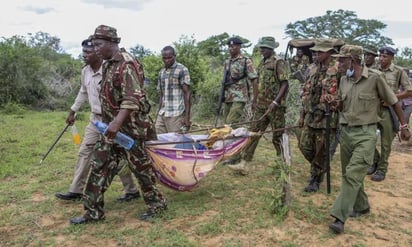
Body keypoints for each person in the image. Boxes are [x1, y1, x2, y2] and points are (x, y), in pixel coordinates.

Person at [70, 25, 166, 224]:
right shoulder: (107, 64)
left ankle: (156, 204)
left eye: (99, 45)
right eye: (94, 45)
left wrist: (116, 123)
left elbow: (132, 98)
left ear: (113, 43)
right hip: (111, 130)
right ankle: (93, 212)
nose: (96, 49)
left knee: (142, 170)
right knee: (99, 165)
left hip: (132, 131)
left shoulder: (126, 64)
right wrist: (108, 125)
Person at [328, 45, 410, 234]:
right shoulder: (343, 80)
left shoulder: (375, 78)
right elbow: (343, 105)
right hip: (346, 133)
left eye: (341, 60)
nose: (338, 63)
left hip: (365, 134)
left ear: (353, 60)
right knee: (350, 174)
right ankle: (362, 206)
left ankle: (340, 217)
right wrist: (334, 103)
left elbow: (394, 101)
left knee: (352, 174)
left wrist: (404, 126)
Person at [55, 38, 140, 203]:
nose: (84, 55)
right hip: (95, 120)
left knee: (119, 156)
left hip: (113, 120)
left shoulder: (110, 69)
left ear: (97, 52)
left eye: (88, 52)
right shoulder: (85, 71)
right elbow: (83, 91)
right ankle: (76, 190)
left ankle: (131, 190)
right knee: (85, 151)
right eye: (83, 52)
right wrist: (73, 110)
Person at [227, 36, 288, 174]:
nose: (262, 50)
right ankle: (244, 164)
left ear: (271, 49)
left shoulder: (279, 62)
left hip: (275, 107)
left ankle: (283, 165)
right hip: (261, 105)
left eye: (265, 48)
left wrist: (275, 102)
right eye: (261, 48)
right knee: (253, 133)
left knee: (278, 136)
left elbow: (284, 84)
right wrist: (255, 101)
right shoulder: (262, 63)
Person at [298, 39, 340, 192]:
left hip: (327, 118)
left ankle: (315, 178)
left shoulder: (337, 69)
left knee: (322, 150)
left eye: (319, 52)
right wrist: (302, 115)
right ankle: (319, 169)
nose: (315, 54)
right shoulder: (312, 68)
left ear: (329, 53)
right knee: (304, 146)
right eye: (315, 51)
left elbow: (341, 94)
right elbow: (306, 92)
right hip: (310, 115)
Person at [367, 46, 412, 181]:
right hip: (373, 109)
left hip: (390, 110)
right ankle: (375, 161)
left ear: (392, 57)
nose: (381, 59)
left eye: (385, 56)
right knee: (367, 138)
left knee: (386, 143)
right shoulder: (373, 70)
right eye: (380, 56)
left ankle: (382, 169)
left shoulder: (398, 72)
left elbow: (409, 91)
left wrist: (393, 98)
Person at [220, 37, 258, 165]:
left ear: (239, 47)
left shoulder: (246, 61)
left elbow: (254, 79)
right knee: (229, 126)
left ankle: (235, 156)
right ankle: (232, 153)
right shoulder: (227, 62)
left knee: (230, 124)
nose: (231, 48)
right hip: (229, 97)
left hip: (240, 97)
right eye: (229, 46)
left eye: (234, 46)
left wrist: (254, 100)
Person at [155, 46, 191, 134]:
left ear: (174, 56)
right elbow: (161, 95)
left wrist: (187, 117)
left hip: (176, 114)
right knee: (159, 140)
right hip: (163, 113)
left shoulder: (182, 69)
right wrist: (158, 114)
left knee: (176, 142)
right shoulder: (161, 72)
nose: (167, 60)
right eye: (164, 58)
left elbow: (187, 94)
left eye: (169, 57)